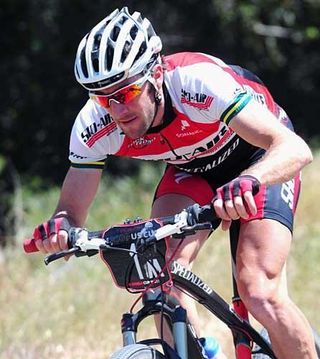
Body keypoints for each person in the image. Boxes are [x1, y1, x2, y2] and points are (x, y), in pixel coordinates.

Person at [30, 7, 316, 359]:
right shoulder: (93, 125)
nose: (116, 109)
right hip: (193, 170)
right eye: (102, 98)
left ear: (156, 73)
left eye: (127, 92)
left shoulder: (198, 83)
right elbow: (70, 212)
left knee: (259, 291)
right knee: (158, 275)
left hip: (257, 158)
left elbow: (293, 148)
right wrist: (60, 228)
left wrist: (250, 180)